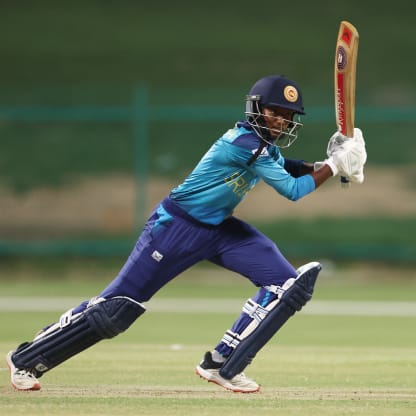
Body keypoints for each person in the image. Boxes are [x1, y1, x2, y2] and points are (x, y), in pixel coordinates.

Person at [6, 75, 366, 393]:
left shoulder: (262, 147)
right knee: (116, 311)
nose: (281, 121)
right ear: (256, 109)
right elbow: (293, 190)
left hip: (219, 229)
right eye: (275, 112)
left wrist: (332, 160)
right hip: (175, 228)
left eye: (287, 117)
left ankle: (222, 364)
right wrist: (334, 166)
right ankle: (25, 357)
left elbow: (286, 166)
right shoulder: (243, 143)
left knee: (286, 285)